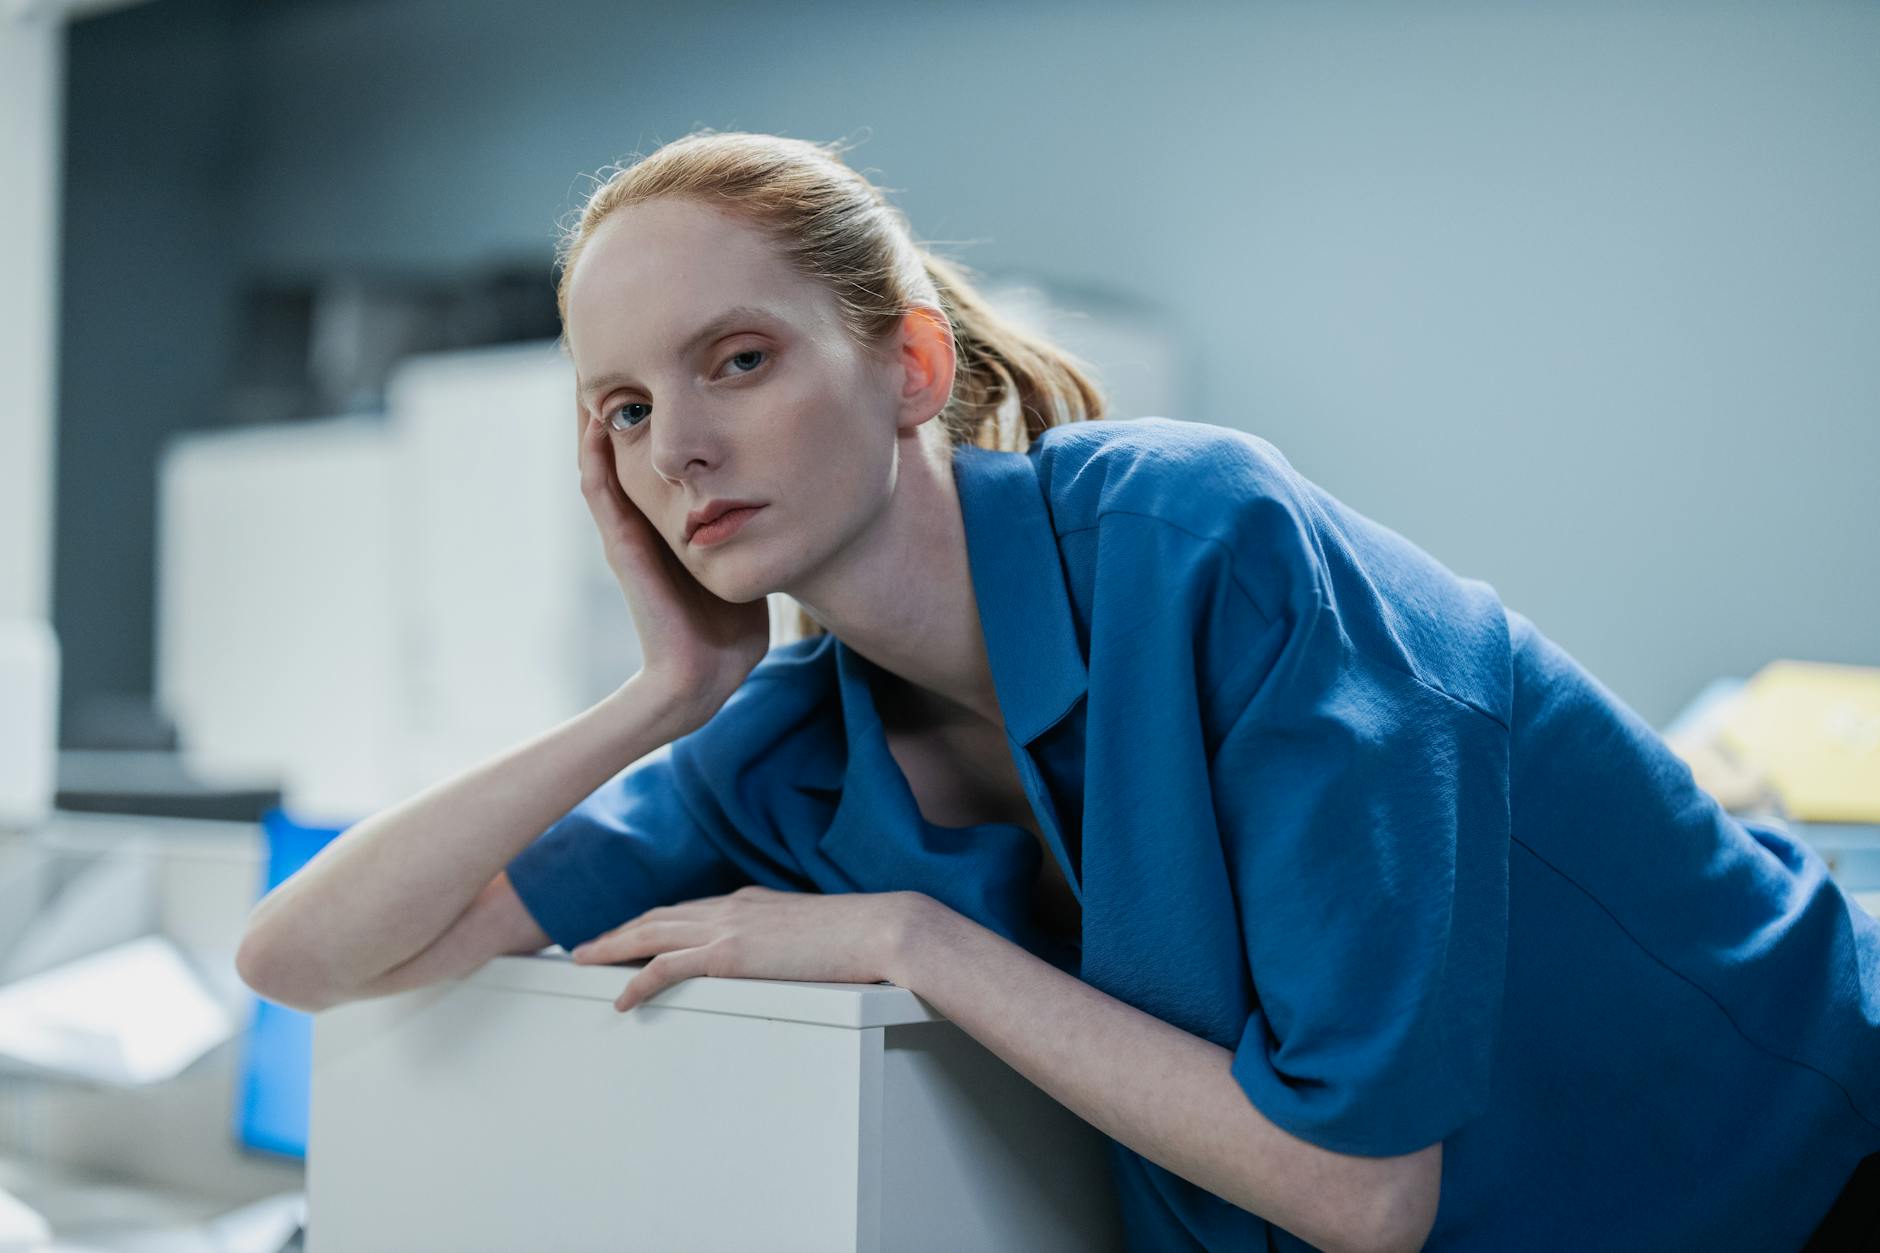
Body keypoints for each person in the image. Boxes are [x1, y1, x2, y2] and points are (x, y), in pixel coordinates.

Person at [236, 130, 1880, 1252]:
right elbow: (305, 955)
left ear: (914, 365)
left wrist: (905, 938)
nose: (678, 445)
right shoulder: (786, 753)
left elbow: (1368, 1190)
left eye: (737, 358)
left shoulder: (1201, 542)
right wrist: (660, 691)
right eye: (619, 408)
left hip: (1820, 1158)